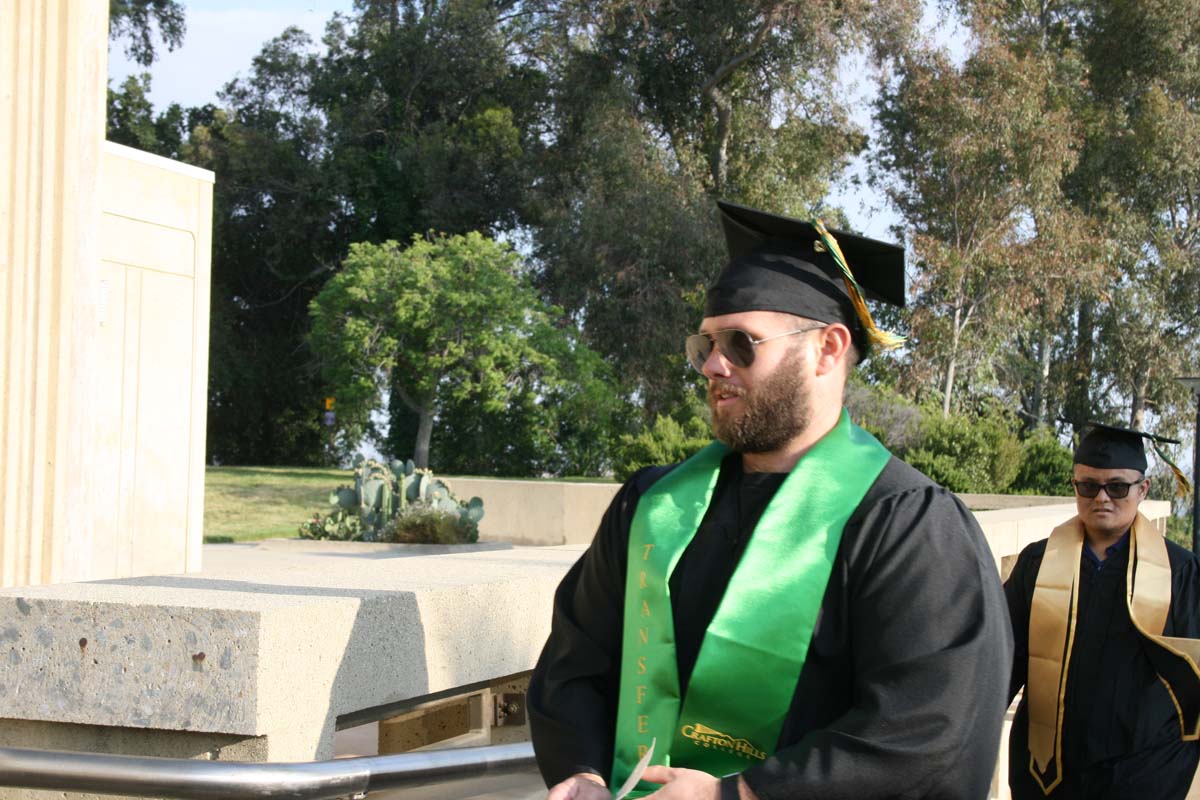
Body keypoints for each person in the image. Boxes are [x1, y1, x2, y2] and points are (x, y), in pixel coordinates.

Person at [528, 201, 1014, 800]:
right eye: (704, 343)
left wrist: (739, 795)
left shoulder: (907, 525)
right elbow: (577, 662)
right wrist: (581, 770)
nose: (712, 365)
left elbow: (928, 730)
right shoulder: (652, 506)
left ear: (828, 349)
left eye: (741, 343)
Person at [1004, 423, 1200, 799]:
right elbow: (1001, 656)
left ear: (1143, 489)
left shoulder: (1182, 574)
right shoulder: (1037, 563)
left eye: (1118, 487)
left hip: (1142, 774)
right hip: (1047, 774)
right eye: (1088, 486)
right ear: (1075, 485)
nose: (1102, 498)